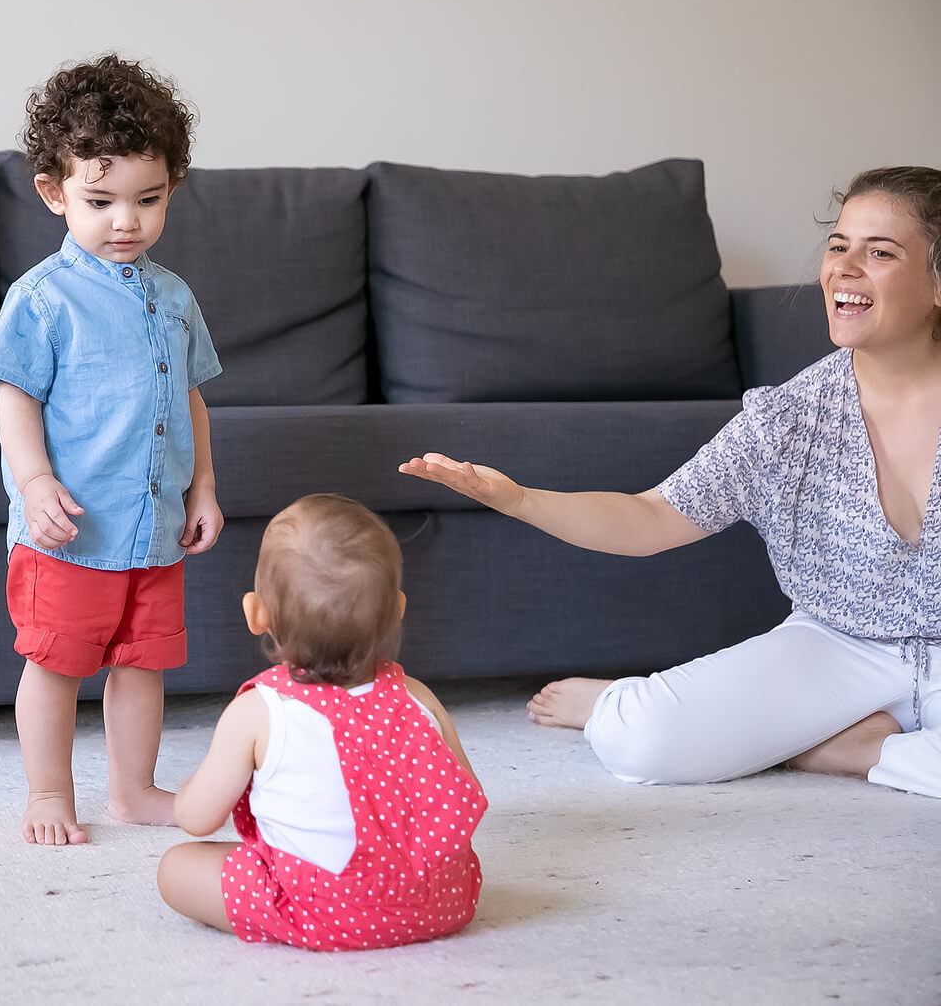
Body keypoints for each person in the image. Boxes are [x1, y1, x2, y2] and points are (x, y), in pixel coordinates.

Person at [399, 165, 941, 799]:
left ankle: (854, 749)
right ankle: (620, 700)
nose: (844, 269)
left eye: (879, 253)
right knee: (640, 740)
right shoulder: (790, 419)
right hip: (836, 646)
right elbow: (651, 517)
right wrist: (516, 499)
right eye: (837, 245)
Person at [0, 54, 223, 845]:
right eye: (101, 200)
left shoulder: (176, 297)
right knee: (55, 662)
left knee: (143, 662)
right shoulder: (44, 297)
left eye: (148, 200)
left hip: (152, 525)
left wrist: (204, 488)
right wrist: (34, 479)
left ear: (172, 189)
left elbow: (190, 397)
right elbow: (15, 394)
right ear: (54, 192)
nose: (127, 220)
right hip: (72, 528)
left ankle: (133, 789)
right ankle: (49, 792)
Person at [157, 494, 487, 950]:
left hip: (322, 909)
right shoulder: (417, 696)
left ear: (257, 615)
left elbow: (196, 817)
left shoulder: (259, 711)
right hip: (442, 903)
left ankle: (325, 917)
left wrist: (192, 786)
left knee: (176, 868)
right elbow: (461, 791)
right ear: (398, 609)